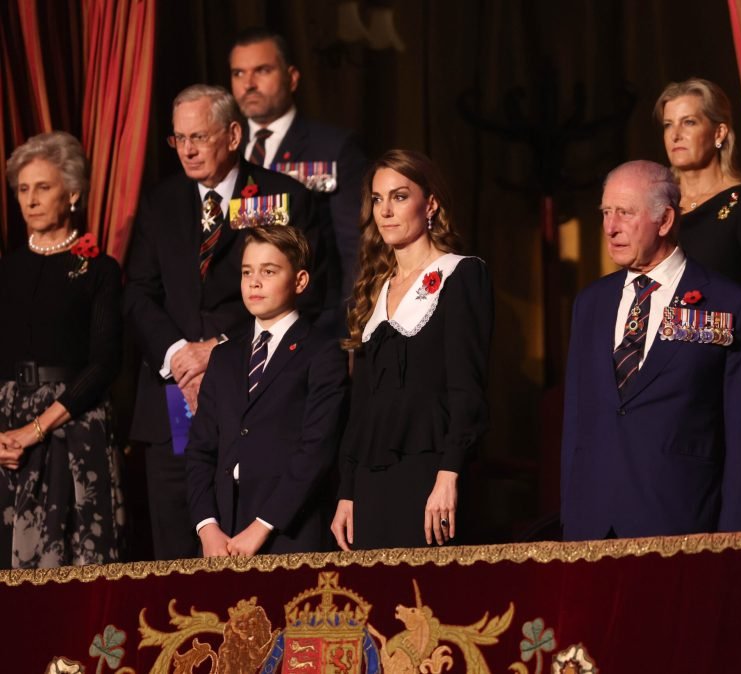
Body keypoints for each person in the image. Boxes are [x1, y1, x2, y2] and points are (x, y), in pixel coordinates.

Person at [124, 84, 331, 560]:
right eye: (179, 139)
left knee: (252, 559)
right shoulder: (160, 203)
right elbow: (138, 293)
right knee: (177, 554)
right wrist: (179, 354)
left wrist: (216, 347)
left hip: (256, 397)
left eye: (199, 136)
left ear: (233, 134)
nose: (188, 149)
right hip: (170, 398)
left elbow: (308, 290)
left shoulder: (284, 196)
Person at [561, 160, 741, 540]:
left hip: (680, 524)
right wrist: (572, 519)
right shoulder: (590, 303)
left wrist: (735, 539)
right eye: (606, 212)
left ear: (666, 220)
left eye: (625, 212)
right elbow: (576, 421)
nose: (610, 227)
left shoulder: (726, 303)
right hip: (592, 528)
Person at [330, 149, 493, 551]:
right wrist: (346, 493)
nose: (385, 210)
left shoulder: (461, 273)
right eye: (378, 199)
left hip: (429, 472)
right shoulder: (374, 288)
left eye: (399, 197)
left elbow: (466, 389)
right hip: (371, 479)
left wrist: (449, 473)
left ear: (430, 203)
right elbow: (360, 406)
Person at [0, 131, 125, 567]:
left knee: (74, 569)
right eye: (23, 189)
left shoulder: (99, 269)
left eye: (43, 187)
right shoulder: (7, 269)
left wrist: (37, 429)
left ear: (72, 192)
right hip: (7, 436)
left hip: (74, 425)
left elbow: (105, 363)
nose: (30, 200)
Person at [186, 226, 348, 556]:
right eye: (247, 272)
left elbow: (316, 450)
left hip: (288, 532)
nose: (254, 282)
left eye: (268, 271)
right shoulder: (224, 356)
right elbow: (201, 449)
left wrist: (263, 524)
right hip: (224, 532)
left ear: (300, 281)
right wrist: (207, 526)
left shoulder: (321, 352)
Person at [655, 78, 741, 429]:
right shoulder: (657, 209)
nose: (675, 135)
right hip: (661, 379)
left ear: (719, 133)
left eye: (689, 122)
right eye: (669, 125)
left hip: (725, 375)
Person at [230, 26, 368, 332]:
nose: (248, 84)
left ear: (292, 77)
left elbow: (356, 249)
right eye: (238, 74)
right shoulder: (226, 151)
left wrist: (348, 332)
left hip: (314, 327)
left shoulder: (333, 148)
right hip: (236, 331)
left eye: (262, 70)